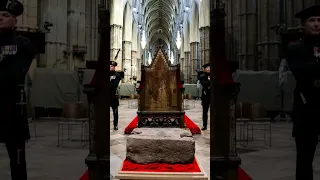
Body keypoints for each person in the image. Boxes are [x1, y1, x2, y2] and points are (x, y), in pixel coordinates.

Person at [0, 0, 37, 179]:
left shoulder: (23, 44)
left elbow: (14, 74)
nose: (0, 18)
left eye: (5, 15)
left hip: (12, 107)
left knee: (17, 159)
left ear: (15, 20)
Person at [285, 5, 320, 180]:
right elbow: (301, 72)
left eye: (319, 20)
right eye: (312, 20)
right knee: (304, 159)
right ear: (304, 24)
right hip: (306, 108)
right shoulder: (296, 47)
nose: (316, 24)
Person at [110, 61, 122, 130]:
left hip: (113, 95)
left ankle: (115, 125)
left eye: (111, 66)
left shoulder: (117, 75)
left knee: (115, 111)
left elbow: (114, 85)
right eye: (109, 66)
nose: (110, 67)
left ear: (114, 67)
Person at [199, 63, 210, 130]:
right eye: (207, 68)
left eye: (210, 67)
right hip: (205, 96)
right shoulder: (202, 76)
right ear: (204, 69)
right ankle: (204, 125)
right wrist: (210, 81)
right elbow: (204, 83)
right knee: (205, 111)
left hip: (213, 96)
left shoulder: (214, 75)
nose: (208, 69)